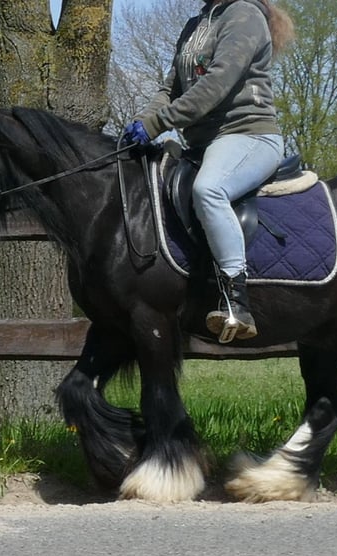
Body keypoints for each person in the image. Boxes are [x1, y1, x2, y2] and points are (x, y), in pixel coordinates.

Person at [123, 0, 294, 343]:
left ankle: (237, 302)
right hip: (202, 143)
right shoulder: (195, 25)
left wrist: (158, 124)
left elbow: (216, 84)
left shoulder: (244, 15)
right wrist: (142, 120)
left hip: (248, 135)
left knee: (209, 190)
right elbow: (169, 89)